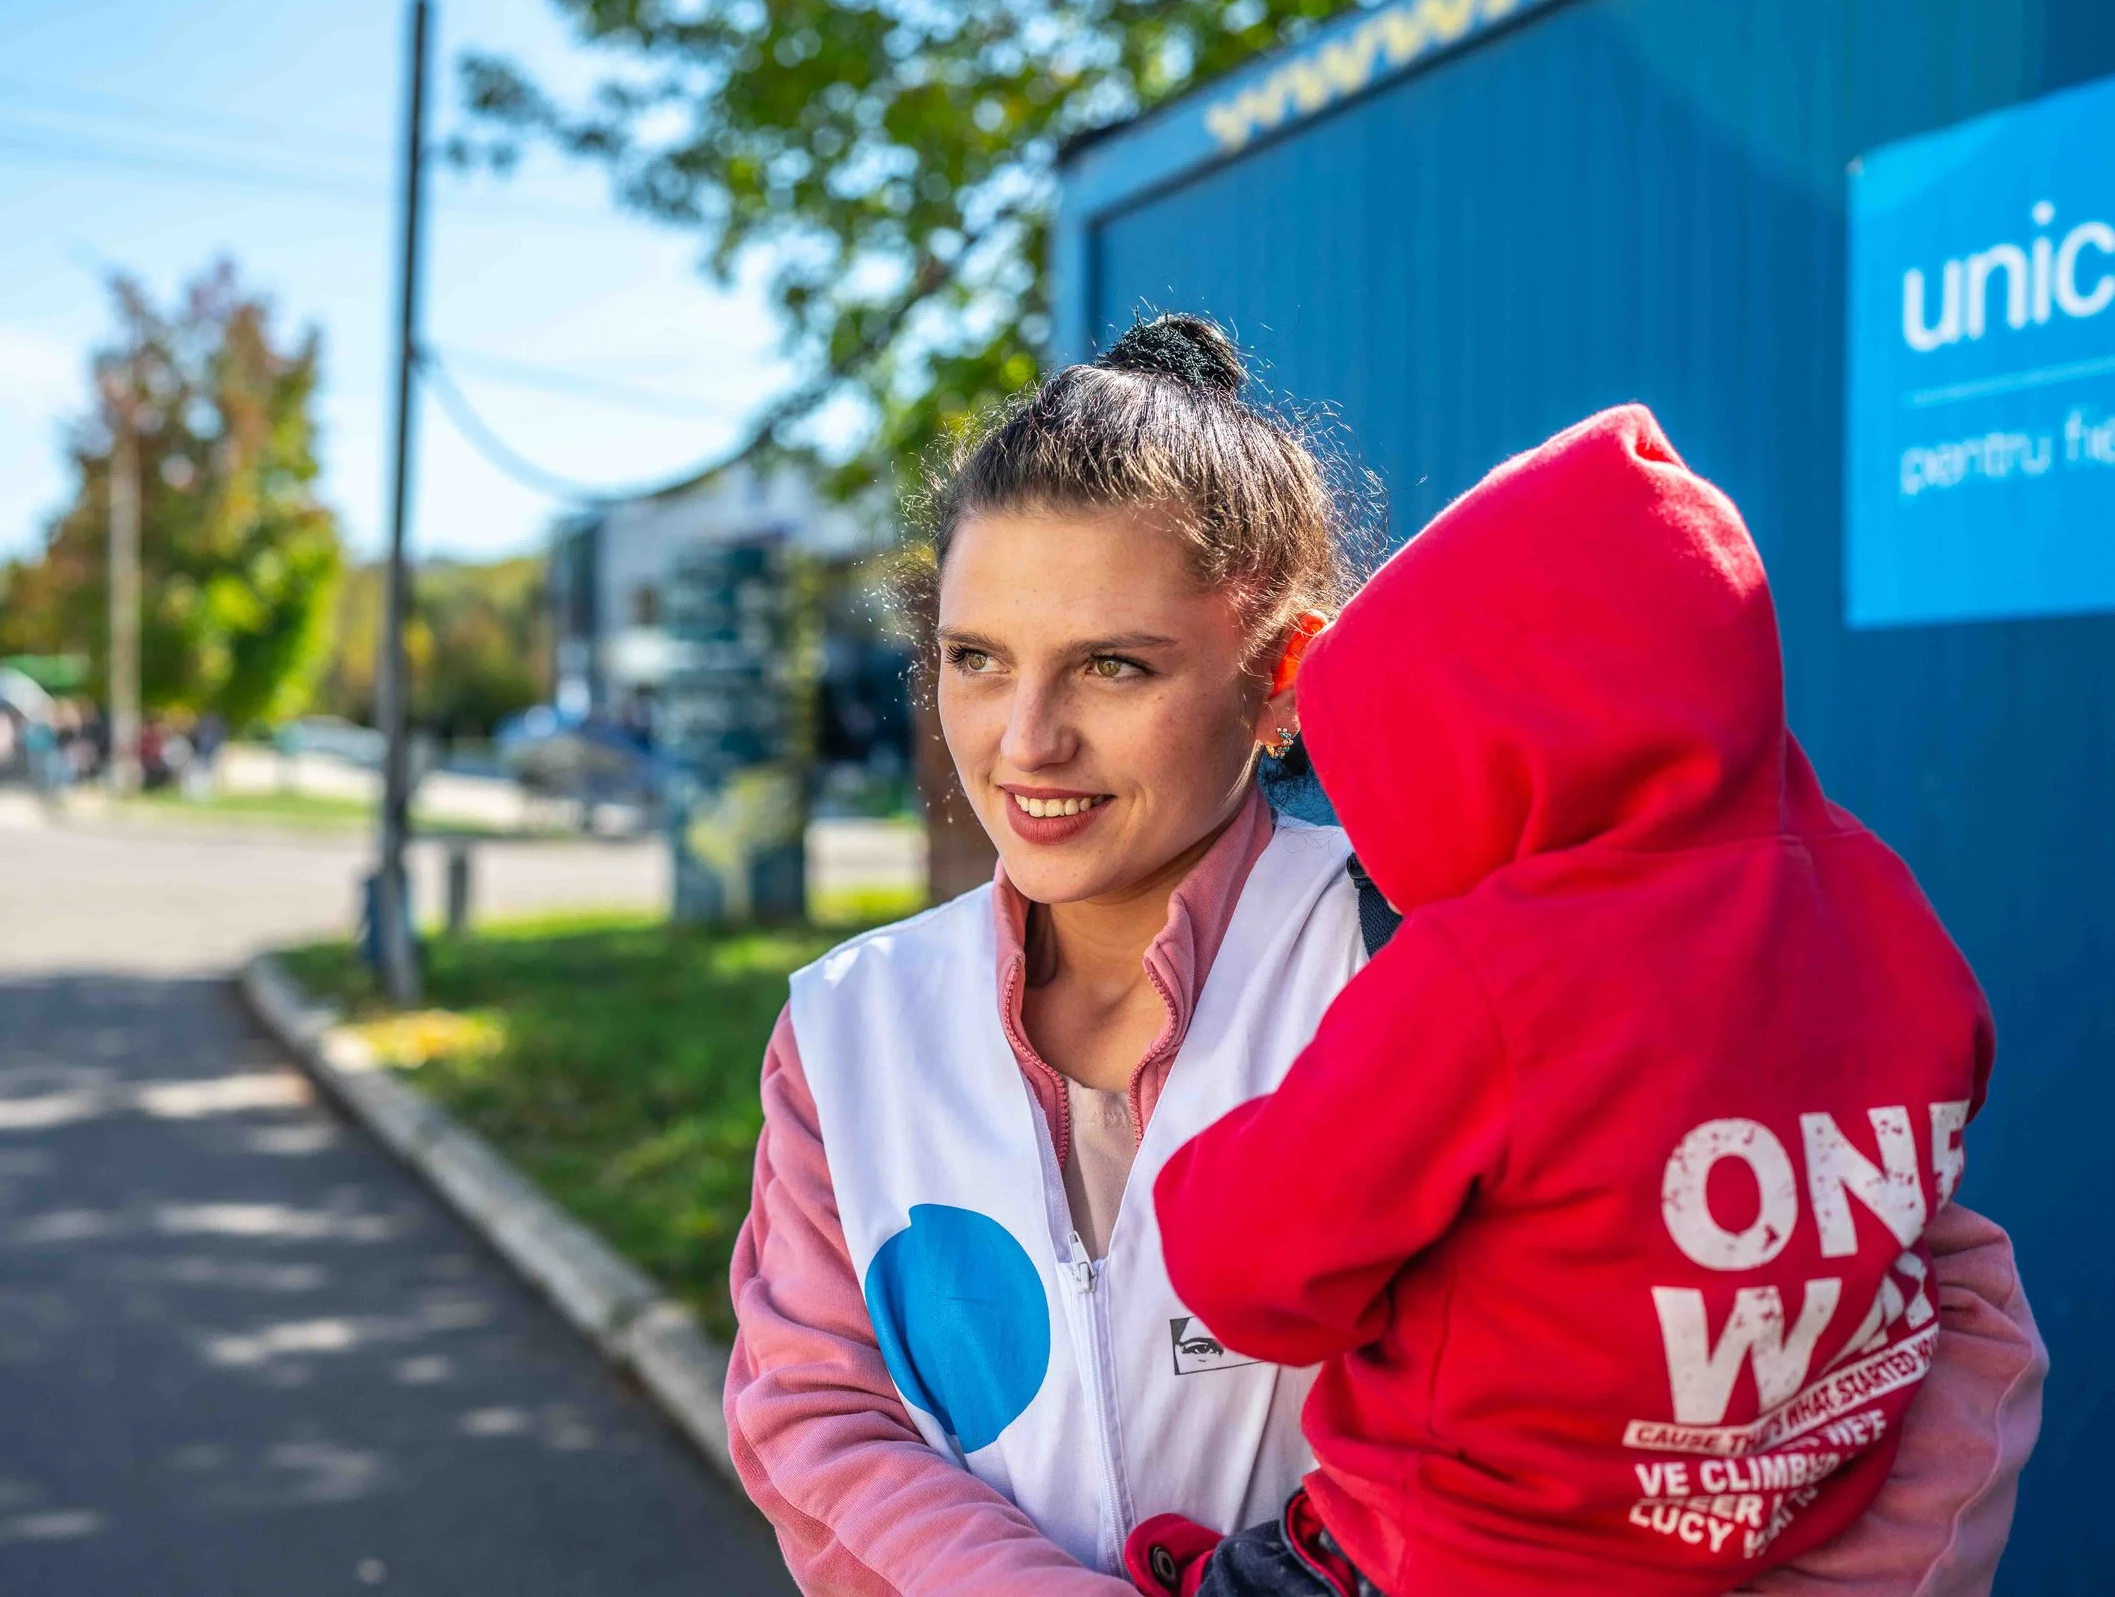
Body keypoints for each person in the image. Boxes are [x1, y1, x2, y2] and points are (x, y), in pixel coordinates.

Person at [723, 316, 2045, 1596]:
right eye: (976, 658)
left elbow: (1916, 1327)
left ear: (1284, 674)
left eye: (1114, 667)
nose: (1024, 741)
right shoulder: (850, 1026)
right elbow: (822, 1420)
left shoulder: (1473, 950)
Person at [1142, 407, 1995, 1597]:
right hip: (1792, 1524)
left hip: (1456, 1557)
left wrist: (1207, 1150)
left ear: (1483, 746)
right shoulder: (1885, 902)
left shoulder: (1490, 972)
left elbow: (1248, 1273)